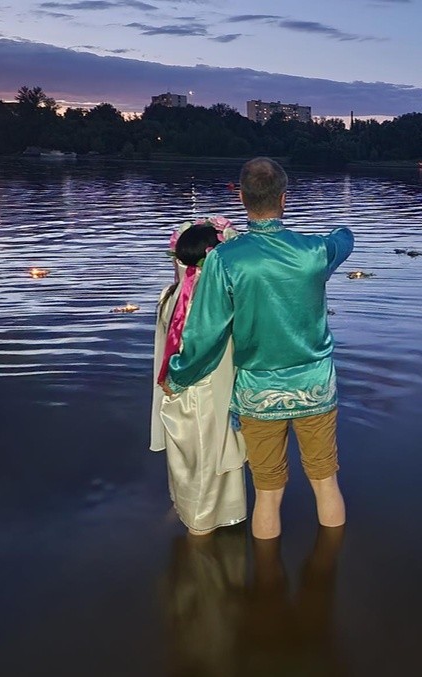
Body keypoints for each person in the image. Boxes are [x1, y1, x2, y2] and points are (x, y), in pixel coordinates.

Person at [162, 157, 354, 540]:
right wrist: (339, 228)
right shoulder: (314, 252)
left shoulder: (224, 260)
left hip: (258, 394)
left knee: (267, 493)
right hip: (315, 386)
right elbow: (344, 238)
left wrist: (178, 375)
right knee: (325, 481)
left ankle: (267, 586)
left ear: (242, 198)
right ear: (284, 198)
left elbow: (206, 332)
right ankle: (327, 580)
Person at [150, 217, 248, 535]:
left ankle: (185, 508)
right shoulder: (217, 303)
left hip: (174, 395)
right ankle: (201, 528)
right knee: (209, 462)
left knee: (186, 462)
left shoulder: (170, 295)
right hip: (206, 395)